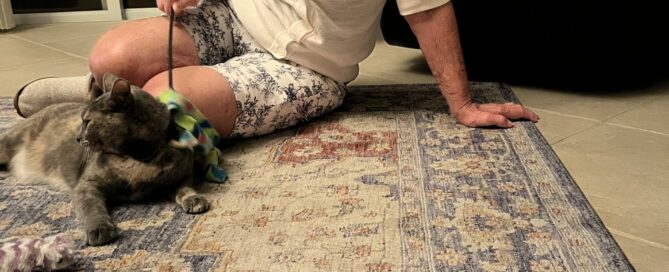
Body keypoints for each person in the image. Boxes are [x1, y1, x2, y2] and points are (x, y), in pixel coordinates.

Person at [14, 0, 539, 139]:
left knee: (168, 100)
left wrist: (462, 103)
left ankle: (100, 113)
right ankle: (98, 94)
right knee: (112, 56)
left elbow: (427, 9)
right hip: (235, 16)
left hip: (305, 66)